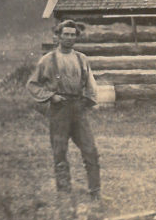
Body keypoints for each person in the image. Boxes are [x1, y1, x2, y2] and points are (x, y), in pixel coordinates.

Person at [26, 20, 101, 201]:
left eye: (72, 35)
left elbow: (91, 84)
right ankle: (64, 193)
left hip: (78, 108)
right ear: (58, 36)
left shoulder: (81, 59)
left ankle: (95, 192)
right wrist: (51, 96)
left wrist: (87, 101)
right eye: (65, 34)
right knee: (60, 151)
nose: (69, 38)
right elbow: (33, 85)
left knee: (90, 150)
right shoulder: (47, 60)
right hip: (59, 109)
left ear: (76, 37)